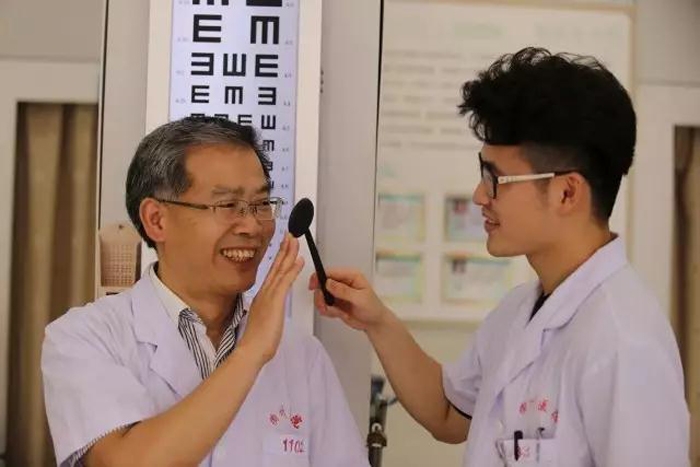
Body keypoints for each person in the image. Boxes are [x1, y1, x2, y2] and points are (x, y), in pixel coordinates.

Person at [309, 47, 690, 466]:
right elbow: (449, 413)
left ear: (567, 193)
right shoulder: (520, 311)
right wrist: (377, 321)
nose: (479, 195)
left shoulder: (624, 342)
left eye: (495, 178)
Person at [42, 116, 369, 467]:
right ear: (156, 220)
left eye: (261, 204)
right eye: (227, 206)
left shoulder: (302, 354)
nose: (252, 226)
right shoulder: (84, 338)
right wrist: (250, 352)